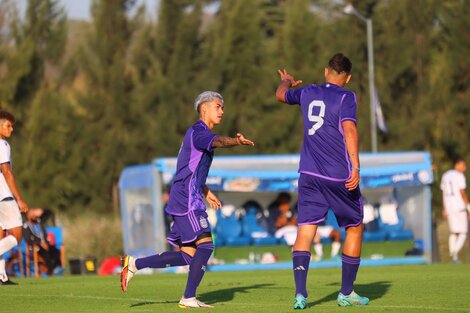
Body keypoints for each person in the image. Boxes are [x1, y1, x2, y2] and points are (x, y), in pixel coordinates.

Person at [120, 91, 255, 308]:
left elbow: (191, 169)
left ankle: (135, 264)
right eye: (218, 106)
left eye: (222, 107)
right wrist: (236, 141)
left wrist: (206, 190)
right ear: (204, 109)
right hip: (186, 200)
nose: (222, 111)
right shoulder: (199, 132)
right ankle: (188, 297)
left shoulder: (198, 134)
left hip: (189, 196)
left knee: (189, 256)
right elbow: (220, 141)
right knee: (206, 246)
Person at [276, 53, 369, 309]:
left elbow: (280, 95)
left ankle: (300, 294)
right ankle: (347, 292)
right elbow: (349, 129)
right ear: (347, 78)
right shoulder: (346, 96)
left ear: (326, 71)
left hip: (308, 174)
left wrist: (287, 80)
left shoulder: (306, 92)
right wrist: (356, 166)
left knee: (305, 230)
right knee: (355, 226)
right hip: (337, 174)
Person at [0, 110, 28, 285]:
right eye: (8, 126)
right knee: (17, 235)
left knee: (2, 236)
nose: (11, 129)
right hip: (3, 196)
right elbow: (7, 172)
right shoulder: (2, 145)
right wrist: (19, 198)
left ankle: (1, 275)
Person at [440, 158, 470, 263]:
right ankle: (454, 254)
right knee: (463, 233)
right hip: (459, 207)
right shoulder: (459, 175)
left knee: (453, 232)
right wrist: (468, 207)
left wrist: (443, 208)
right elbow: (462, 192)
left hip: (449, 207)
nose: (465, 168)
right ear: (456, 165)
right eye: (463, 165)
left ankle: (453, 255)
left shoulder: (445, 175)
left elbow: (443, 193)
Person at [22, 208, 63, 275]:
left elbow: (47, 214)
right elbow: (28, 239)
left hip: (45, 244)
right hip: (36, 247)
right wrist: (40, 243)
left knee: (55, 251)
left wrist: (46, 243)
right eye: (34, 215)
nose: (36, 217)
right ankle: (52, 271)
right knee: (45, 254)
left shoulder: (39, 224)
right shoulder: (26, 226)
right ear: (29, 216)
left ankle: (58, 267)